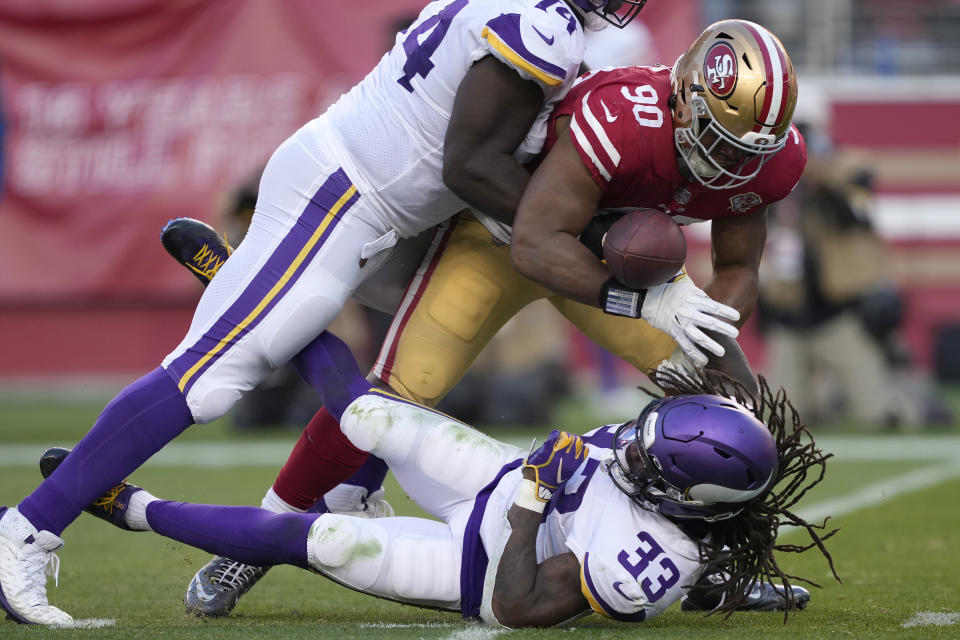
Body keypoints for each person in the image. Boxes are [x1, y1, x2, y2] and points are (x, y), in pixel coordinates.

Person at [0, 0, 663, 625]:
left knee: (411, 362)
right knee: (205, 378)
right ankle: (27, 530)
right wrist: (582, 231)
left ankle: (347, 482)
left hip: (380, 210)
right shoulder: (543, 26)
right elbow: (470, 163)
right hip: (344, 198)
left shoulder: (517, 13)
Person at [158, 18, 805, 615]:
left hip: (612, 269)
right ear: (684, 99)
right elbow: (536, 240)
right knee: (386, 398)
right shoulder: (625, 117)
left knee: (736, 405)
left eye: (749, 149)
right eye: (719, 141)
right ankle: (252, 544)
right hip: (507, 244)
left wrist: (712, 321)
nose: (734, 163)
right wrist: (651, 300)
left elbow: (740, 264)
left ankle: (724, 566)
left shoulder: (764, 156)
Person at [30, 331, 838, 627]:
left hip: (484, 570)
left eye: (645, 462)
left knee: (325, 539)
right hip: (500, 479)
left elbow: (521, 608)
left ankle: (128, 507)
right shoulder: (674, 456)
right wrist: (525, 482)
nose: (627, 448)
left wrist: (529, 503)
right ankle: (247, 286)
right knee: (370, 413)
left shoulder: (653, 554)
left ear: (686, 502)